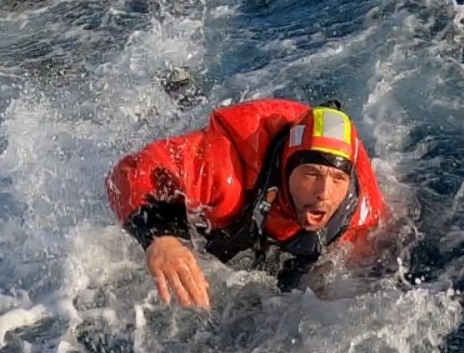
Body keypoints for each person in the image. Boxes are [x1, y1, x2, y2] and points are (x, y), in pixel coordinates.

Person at [106, 99, 388, 309]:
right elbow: (133, 170)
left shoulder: (360, 215)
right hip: (240, 192)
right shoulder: (228, 170)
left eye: (337, 178)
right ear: (286, 167)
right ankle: (181, 98)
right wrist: (162, 236)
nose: (324, 193)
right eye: (310, 174)